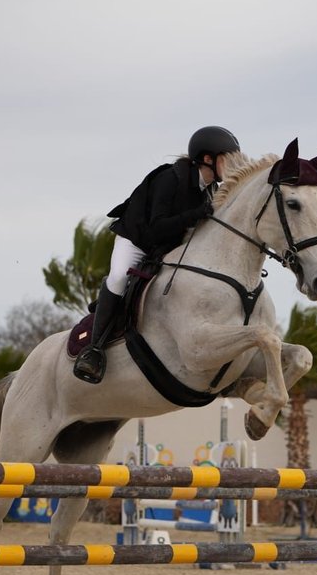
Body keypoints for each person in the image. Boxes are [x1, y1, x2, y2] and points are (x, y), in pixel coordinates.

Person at [73, 125, 242, 384]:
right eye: (227, 158)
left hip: (165, 248)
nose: (232, 165)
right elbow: (157, 227)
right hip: (137, 240)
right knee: (118, 278)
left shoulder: (209, 191)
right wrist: (195, 215)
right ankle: (93, 350)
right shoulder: (170, 178)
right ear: (207, 159)